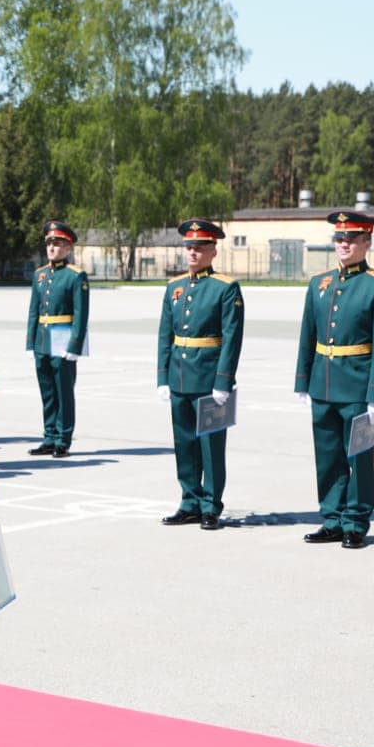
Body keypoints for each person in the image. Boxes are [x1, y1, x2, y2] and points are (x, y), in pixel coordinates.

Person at [294, 211, 374, 550]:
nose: (344, 244)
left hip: (357, 386)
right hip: (323, 384)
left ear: (367, 242)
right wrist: (303, 380)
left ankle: (356, 522)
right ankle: (332, 518)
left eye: (352, 238)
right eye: (339, 238)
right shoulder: (319, 284)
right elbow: (307, 334)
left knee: (359, 458)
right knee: (327, 457)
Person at [156, 219, 244, 530]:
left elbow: (232, 339)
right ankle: (189, 501)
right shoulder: (175, 287)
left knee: (210, 446)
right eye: (189, 247)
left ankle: (211, 505)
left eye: (200, 247)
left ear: (213, 251)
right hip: (180, 376)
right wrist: (162, 377)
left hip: (209, 379)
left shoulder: (225, 288)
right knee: (184, 444)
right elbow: (165, 333)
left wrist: (224, 381)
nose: (193, 252)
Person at [24, 221, 89, 458]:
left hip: (62, 337)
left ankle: (63, 439)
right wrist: (30, 343)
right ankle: (49, 436)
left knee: (63, 390)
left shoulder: (75, 276)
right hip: (42, 338)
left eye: (58, 244)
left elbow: (81, 314)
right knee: (47, 391)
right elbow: (33, 311)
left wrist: (75, 345)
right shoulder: (40, 275)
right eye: (50, 243)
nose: (52, 248)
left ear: (68, 248)